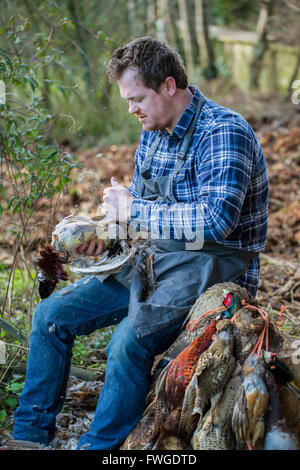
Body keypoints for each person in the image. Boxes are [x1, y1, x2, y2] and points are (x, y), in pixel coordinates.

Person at [12, 36, 268, 450]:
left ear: (169, 85)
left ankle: (102, 448)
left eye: (137, 98)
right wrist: (107, 235)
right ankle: (28, 438)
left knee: (128, 342)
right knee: (51, 315)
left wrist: (132, 211)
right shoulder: (152, 130)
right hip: (155, 256)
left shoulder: (224, 131)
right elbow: (142, 215)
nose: (131, 109)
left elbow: (216, 221)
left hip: (216, 264)